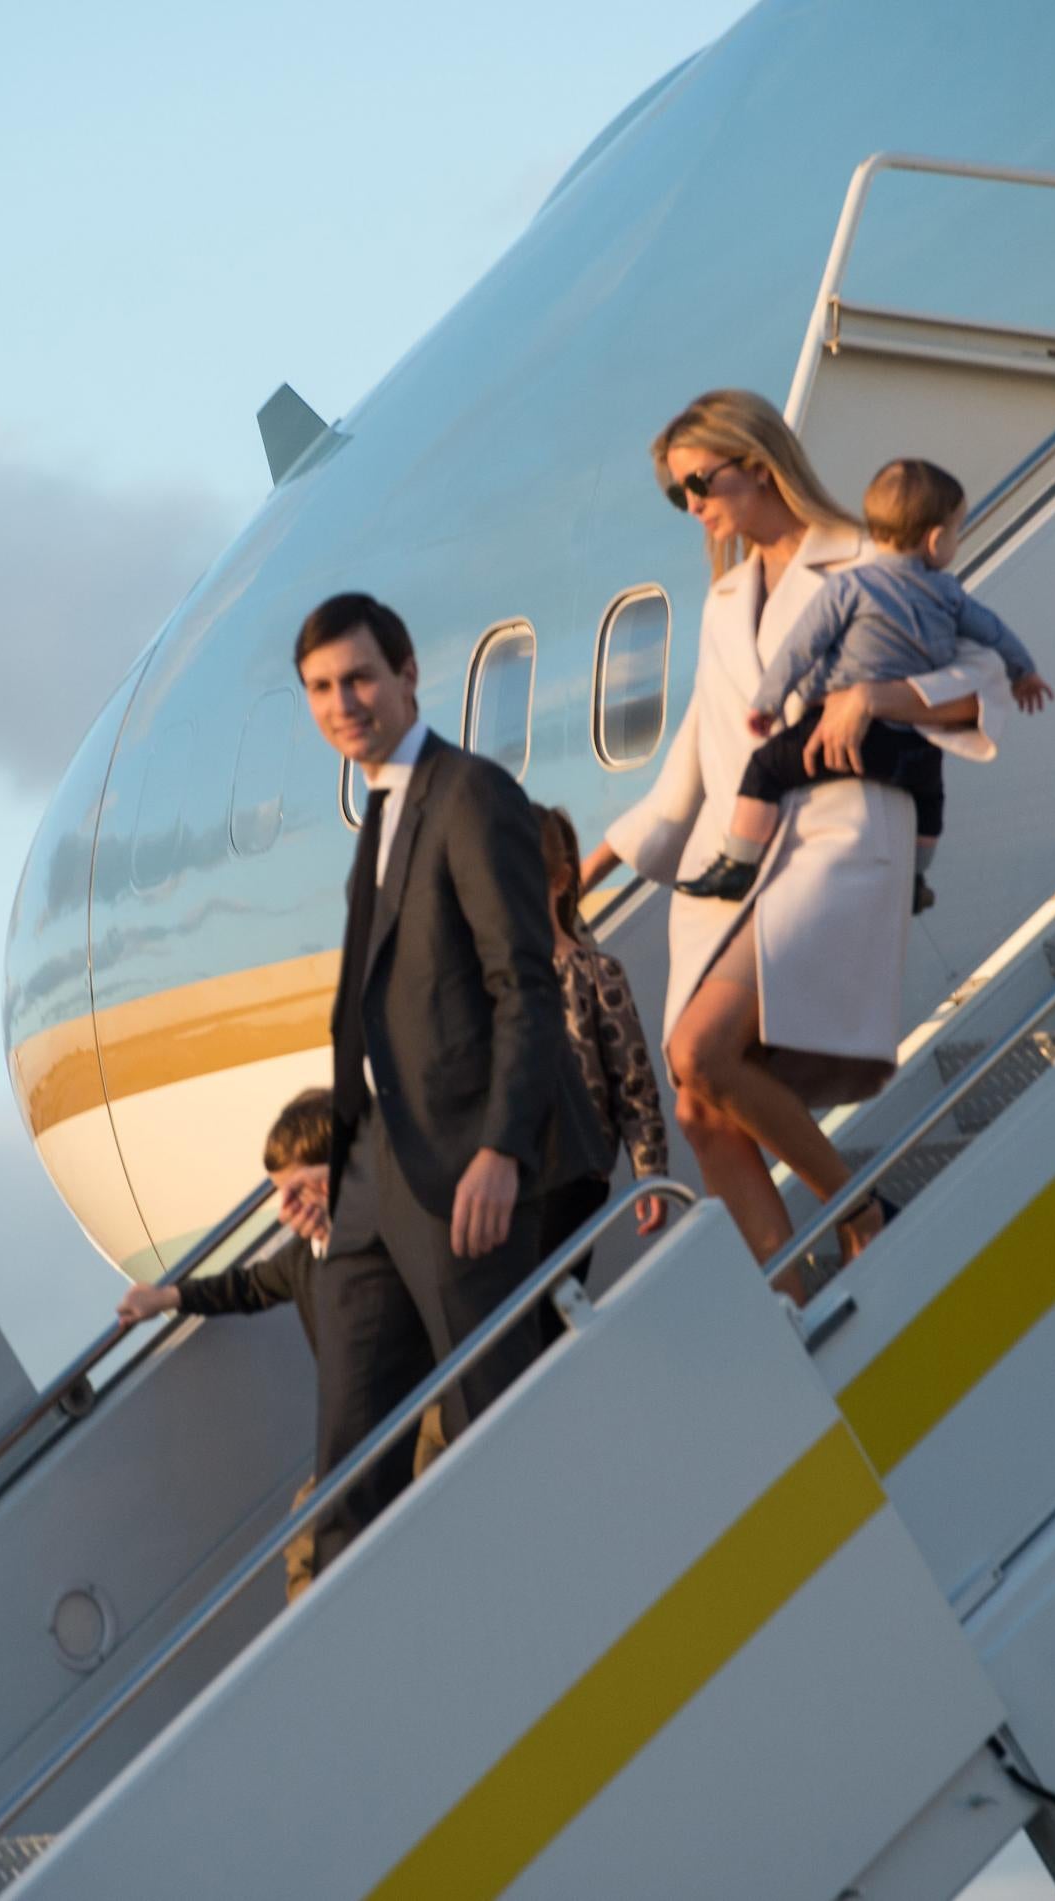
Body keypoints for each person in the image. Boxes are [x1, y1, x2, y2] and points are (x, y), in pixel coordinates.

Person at [578, 391, 996, 1296]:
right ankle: (798, 1302)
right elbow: (690, 766)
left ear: (758, 465)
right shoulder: (725, 600)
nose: (691, 505)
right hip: (737, 865)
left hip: (837, 846)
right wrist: (582, 875)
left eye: (699, 481)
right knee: (698, 1109)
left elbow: (979, 684)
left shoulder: (868, 557)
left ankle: (862, 1211)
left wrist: (876, 699)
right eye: (675, 493)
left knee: (697, 1049)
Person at [297, 591, 610, 1572]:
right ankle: (353, 1661)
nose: (342, 702)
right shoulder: (380, 807)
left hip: (463, 1160)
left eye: (358, 678)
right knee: (352, 1458)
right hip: (372, 1173)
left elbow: (523, 983)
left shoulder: (468, 792)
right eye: (319, 688)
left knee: (494, 1418)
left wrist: (500, 1149)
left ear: (406, 676)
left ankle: (557, 1618)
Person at [675, 457, 1052, 914]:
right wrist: (1025, 672)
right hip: (908, 744)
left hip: (831, 731)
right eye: (957, 531)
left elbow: (800, 648)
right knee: (931, 799)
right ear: (935, 539)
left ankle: (739, 860)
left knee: (766, 769)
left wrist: (767, 702)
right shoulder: (949, 593)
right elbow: (995, 633)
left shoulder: (850, 586)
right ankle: (914, 878)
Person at [114, 1087, 442, 1599]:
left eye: (302, 1188)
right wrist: (168, 1297)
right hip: (364, 1435)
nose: (288, 1209)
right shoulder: (305, 1258)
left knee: (368, 1507)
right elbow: (246, 1287)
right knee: (307, 1531)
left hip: (424, 1413)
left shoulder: (397, 1228)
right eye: (279, 1195)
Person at [534, 807, 671, 1276]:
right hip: (511, 1181)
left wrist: (649, 1169)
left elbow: (635, 1086)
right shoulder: (482, 984)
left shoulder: (596, 974)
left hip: (574, 1175)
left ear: (559, 882)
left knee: (546, 1308)